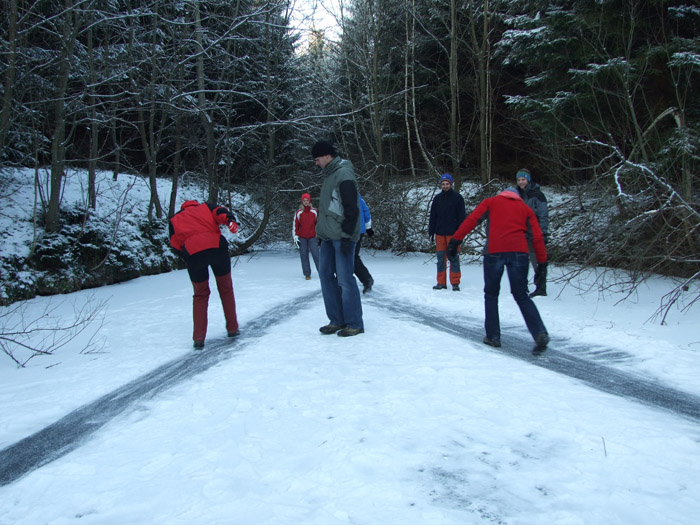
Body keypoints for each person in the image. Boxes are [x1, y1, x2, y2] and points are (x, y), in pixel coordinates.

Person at [446, 187, 549, 354]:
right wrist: (542, 265)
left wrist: (455, 241)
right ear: (517, 197)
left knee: (491, 294)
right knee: (521, 295)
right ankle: (539, 332)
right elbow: (537, 237)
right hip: (519, 253)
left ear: (502, 194)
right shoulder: (525, 208)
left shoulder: (491, 202)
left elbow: (472, 220)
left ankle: (493, 336)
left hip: (494, 251)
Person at [169, 200, 240, 349]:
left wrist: (187, 254)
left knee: (200, 295)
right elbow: (221, 212)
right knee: (225, 288)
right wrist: (230, 221)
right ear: (195, 204)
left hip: (194, 256)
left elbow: (174, 244)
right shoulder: (206, 207)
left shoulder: (174, 219)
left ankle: (198, 338)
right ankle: (232, 329)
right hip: (217, 248)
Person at [311, 139, 364, 337]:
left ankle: (354, 323)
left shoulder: (343, 174)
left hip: (342, 236)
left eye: (317, 159)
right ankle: (337, 319)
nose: (316, 163)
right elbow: (329, 209)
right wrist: (321, 232)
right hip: (327, 236)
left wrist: (346, 237)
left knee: (344, 279)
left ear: (327, 156)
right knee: (325, 275)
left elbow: (352, 208)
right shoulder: (329, 175)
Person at [428, 173, 466, 291]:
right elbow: (433, 216)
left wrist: (460, 233)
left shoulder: (458, 198)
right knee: (440, 259)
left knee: (453, 257)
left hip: (453, 234)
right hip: (439, 233)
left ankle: (455, 282)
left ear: (451, 184)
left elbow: (462, 217)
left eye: (447, 184)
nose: (445, 186)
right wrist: (431, 231)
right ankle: (441, 282)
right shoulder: (437, 199)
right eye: (443, 184)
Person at [516, 168, 549, 297]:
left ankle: (541, 287)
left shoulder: (537, 195)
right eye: (519, 180)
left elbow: (543, 215)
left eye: (523, 179)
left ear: (528, 180)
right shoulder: (516, 194)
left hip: (534, 234)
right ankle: (522, 285)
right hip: (520, 233)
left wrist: (543, 233)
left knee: (537, 262)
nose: (521, 182)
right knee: (520, 261)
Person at [293, 192, 320, 280]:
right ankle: (307, 273)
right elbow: (295, 225)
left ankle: (322, 272)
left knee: (316, 255)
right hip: (302, 237)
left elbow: (318, 224)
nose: (305, 202)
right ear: (302, 201)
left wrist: (319, 234)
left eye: (307, 200)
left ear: (309, 201)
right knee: (304, 255)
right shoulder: (298, 212)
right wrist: (296, 237)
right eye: (304, 200)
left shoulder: (314, 212)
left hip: (312, 236)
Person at [355, 194, 375, 293]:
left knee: (350, 257)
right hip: (360, 231)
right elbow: (366, 212)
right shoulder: (359, 198)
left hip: (351, 232)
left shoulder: (342, 196)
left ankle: (366, 279)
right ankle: (366, 279)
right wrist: (368, 227)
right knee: (353, 256)